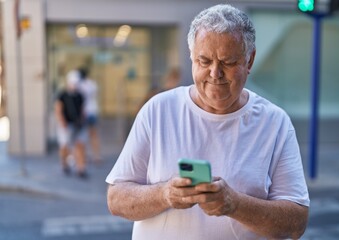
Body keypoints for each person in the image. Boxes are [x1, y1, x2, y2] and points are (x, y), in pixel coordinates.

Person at [106, 4, 309, 240]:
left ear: (249, 60)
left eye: (228, 62)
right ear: (192, 57)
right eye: (204, 61)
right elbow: (116, 199)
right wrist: (164, 194)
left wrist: (235, 204)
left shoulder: (275, 123)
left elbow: (296, 223)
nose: (215, 73)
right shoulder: (157, 110)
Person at [54, 70, 88, 179]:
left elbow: (82, 110)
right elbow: (58, 110)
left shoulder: (80, 95)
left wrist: (82, 120)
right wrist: (62, 122)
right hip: (66, 125)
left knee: (80, 145)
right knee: (65, 146)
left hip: (78, 125)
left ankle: (81, 168)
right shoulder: (62, 95)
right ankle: (64, 163)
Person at [78, 67, 102, 165]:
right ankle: (96, 156)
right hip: (93, 110)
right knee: (94, 134)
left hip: (84, 112)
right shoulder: (92, 84)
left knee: (83, 136)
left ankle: (85, 156)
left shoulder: (79, 85)